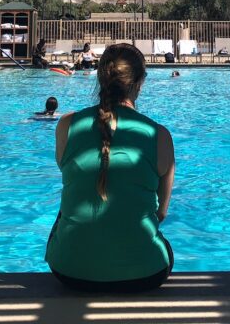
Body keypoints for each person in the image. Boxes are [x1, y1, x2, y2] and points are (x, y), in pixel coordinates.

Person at [46, 43, 175, 292]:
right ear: (140, 81)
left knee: (65, 211)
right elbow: (161, 214)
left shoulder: (67, 125)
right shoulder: (159, 135)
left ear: (99, 76)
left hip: (69, 270)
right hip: (145, 273)